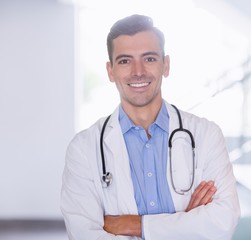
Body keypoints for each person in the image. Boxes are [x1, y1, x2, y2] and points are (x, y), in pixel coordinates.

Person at [61, 14, 240, 240]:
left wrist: (137, 225)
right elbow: (84, 235)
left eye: (149, 59)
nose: (138, 71)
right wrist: (187, 223)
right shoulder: (83, 149)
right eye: (125, 61)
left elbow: (223, 222)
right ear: (110, 71)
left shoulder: (206, 135)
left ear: (165, 65)